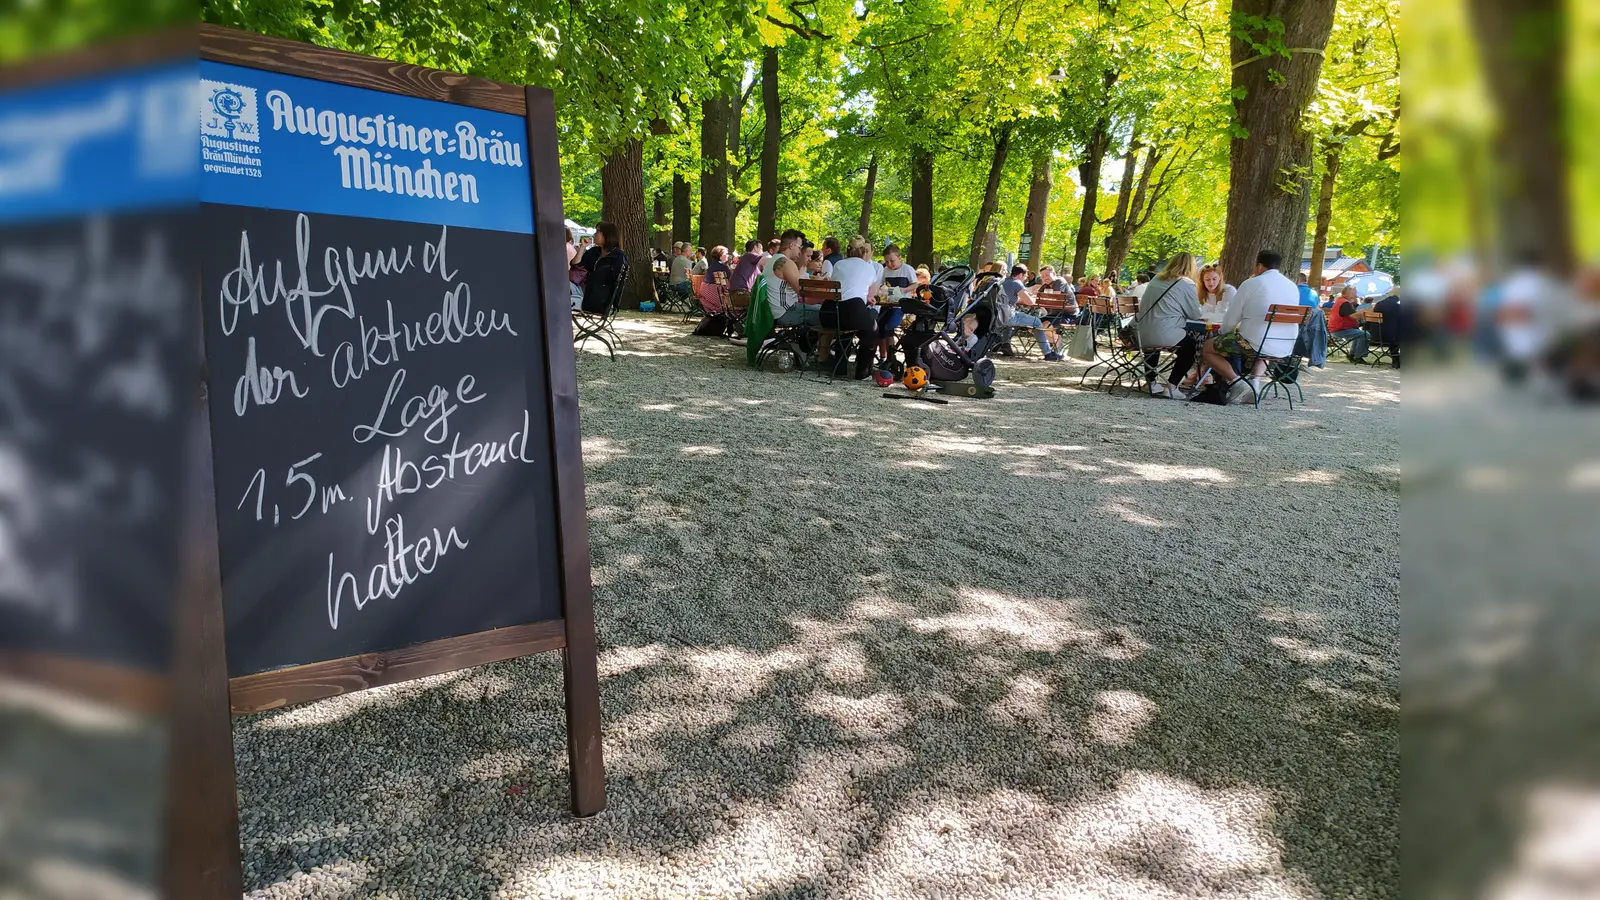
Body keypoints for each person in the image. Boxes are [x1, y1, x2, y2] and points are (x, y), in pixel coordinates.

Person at [1199, 249, 1302, 403]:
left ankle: (1237, 382)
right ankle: (1254, 385)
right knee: (1264, 349)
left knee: (1208, 347)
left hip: (1253, 343)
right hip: (1285, 345)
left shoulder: (1251, 283)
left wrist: (1223, 332)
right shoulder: (1292, 286)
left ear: (1259, 266)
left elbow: (1232, 317)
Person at [1135, 252, 1206, 399]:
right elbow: (1195, 314)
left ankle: (1151, 382)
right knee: (1190, 346)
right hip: (1163, 334)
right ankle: (1172, 386)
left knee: (1154, 343)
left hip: (1140, 332)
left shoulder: (1156, 279)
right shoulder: (1186, 283)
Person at [827, 236, 884, 379]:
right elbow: (871, 297)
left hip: (831, 314)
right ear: (864, 252)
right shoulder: (869, 268)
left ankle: (840, 367)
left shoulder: (839, 264)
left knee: (848, 327)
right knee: (872, 329)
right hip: (853, 314)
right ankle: (863, 371)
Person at [998, 264, 1061, 360]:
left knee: (1019, 318)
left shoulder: (1004, 281)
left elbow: (1017, 298)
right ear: (1020, 275)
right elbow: (1029, 302)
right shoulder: (1016, 283)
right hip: (1008, 316)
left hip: (998, 315)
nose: (1025, 278)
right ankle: (1048, 353)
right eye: (1025, 276)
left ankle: (1005, 344)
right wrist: (1033, 297)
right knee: (1037, 322)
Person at [579, 221, 627, 315]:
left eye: (598, 232)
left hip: (601, 300)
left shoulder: (618, 256)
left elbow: (614, 281)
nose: (594, 235)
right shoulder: (594, 252)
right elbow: (576, 265)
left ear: (607, 235)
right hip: (589, 293)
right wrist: (582, 248)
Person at [767, 255, 818, 327]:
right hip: (785, 312)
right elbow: (801, 291)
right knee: (826, 312)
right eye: (808, 255)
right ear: (791, 247)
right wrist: (818, 284)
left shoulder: (772, 260)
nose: (799, 252)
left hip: (773, 312)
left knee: (823, 310)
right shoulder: (787, 263)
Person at [1326, 284, 1371, 363]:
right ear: (1349, 293)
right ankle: (1358, 356)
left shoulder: (1341, 301)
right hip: (1339, 330)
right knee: (1365, 334)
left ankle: (1353, 355)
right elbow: (1354, 316)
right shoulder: (1345, 303)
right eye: (1355, 293)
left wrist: (1360, 311)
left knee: (1359, 333)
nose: (1356, 295)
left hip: (1335, 329)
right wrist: (1366, 311)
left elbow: (1352, 314)